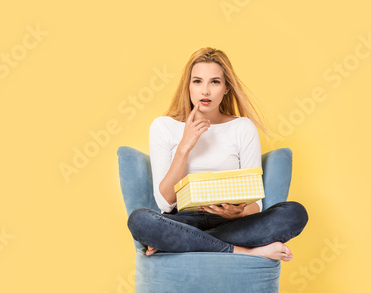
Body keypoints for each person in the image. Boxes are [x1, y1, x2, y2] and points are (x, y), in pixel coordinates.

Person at [127, 47, 308, 261]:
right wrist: (184, 147)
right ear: (188, 86)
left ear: (226, 88)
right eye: (197, 81)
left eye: (215, 82)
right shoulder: (163, 126)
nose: (205, 91)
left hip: (232, 222)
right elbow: (165, 203)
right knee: (140, 220)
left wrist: (239, 213)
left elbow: (256, 202)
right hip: (183, 220)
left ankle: (180, 243)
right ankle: (244, 251)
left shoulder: (243, 127)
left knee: (295, 213)